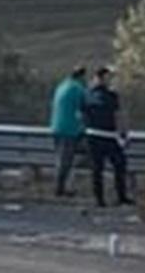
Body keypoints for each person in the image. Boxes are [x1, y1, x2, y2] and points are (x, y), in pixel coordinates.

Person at [82, 65, 132, 207]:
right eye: (108, 77)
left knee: (104, 168)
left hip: (100, 135)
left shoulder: (88, 93)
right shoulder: (108, 95)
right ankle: (110, 198)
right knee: (110, 167)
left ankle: (107, 198)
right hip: (102, 135)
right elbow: (118, 116)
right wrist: (124, 133)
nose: (110, 80)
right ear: (101, 77)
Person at [49, 65, 88, 198]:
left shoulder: (62, 86)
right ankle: (59, 189)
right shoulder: (78, 88)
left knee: (62, 159)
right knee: (66, 160)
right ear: (82, 76)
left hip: (56, 127)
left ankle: (63, 186)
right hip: (70, 129)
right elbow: (86, 107)